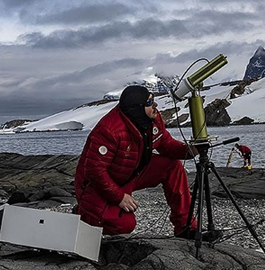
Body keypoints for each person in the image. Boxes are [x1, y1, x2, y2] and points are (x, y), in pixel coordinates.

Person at [74, 85, 220, 241]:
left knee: (173, 167)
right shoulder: (109, 130)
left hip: (132, 171)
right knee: (124, 225)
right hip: (95, 185)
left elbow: (166, 145)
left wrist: (191, 150)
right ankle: (83, 214)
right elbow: (94, 171)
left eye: (153, 100)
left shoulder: (153, 119)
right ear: (137, 109)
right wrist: (119, 197)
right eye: (150, 102)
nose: (155, 105)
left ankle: (185, 227)